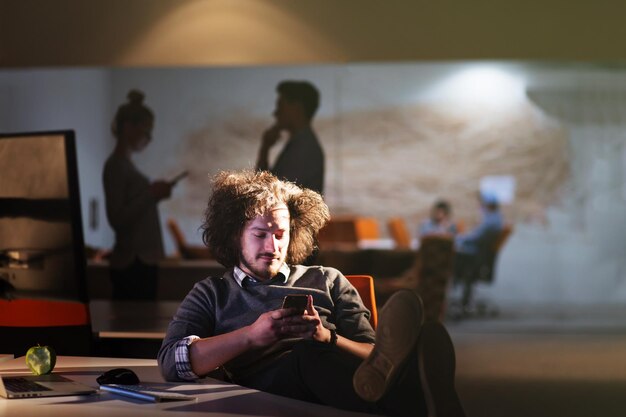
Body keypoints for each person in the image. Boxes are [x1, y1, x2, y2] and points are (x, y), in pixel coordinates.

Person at [157, 170, 465, 417]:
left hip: (341, 374)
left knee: (325, 352)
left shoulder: (328, 279)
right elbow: (172, 361)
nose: (273, 246)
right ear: (234, 235)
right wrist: (251, 336)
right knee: (306, 356)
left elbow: (375, 354)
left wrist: (328, 337)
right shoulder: (212, 293)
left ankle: (400, 396)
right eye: (260, 234)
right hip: (265, 389)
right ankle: (417, 403)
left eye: (281, 234)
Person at [103, 89, 173, 300]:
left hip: (138, 261)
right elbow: (117, 218)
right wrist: (151, 194)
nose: (149, 138)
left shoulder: (123, 165)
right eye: (146, 131)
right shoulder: (116, 165)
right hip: (133, 263)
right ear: (128, 127)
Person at [256, 80, 325, 195]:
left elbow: (269, 195)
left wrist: (265, 149)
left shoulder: (303, 149)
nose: (276, 113)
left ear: (296, 109)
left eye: (281, 106)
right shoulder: (301, 144)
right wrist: (265, 148)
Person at [453, 192, 504, 311]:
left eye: (482, 203)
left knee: (453, 257)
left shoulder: (490, 221)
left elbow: (475, 238)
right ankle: (464, 300)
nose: (480, 206)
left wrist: (457, 239)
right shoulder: (495, 218)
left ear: (488, 205)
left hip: (475, 258)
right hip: (479, 256)